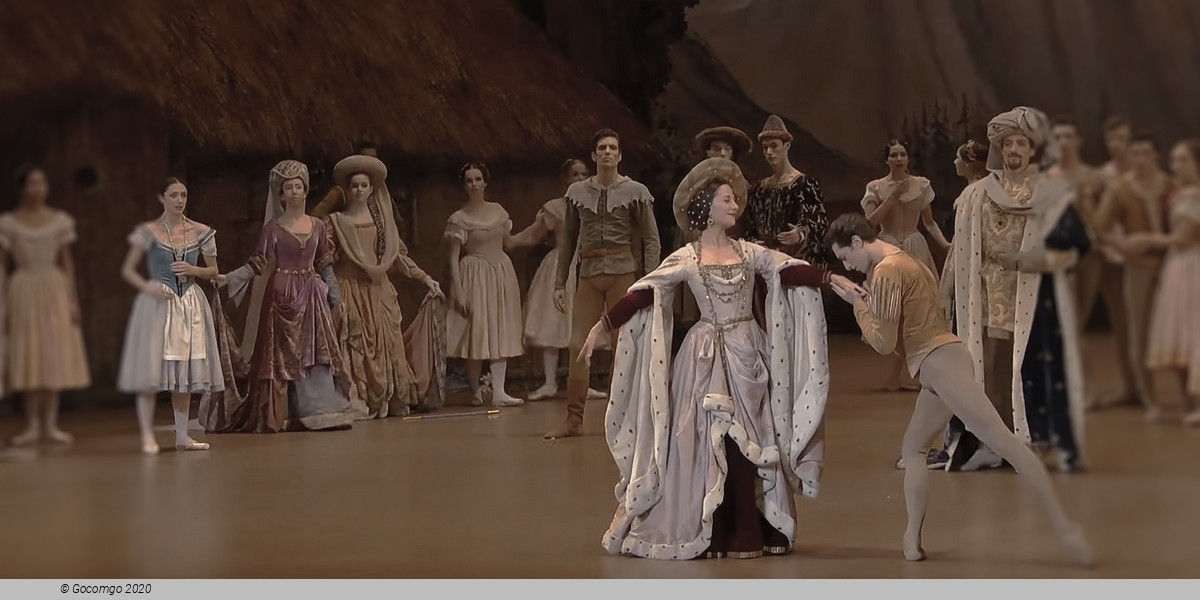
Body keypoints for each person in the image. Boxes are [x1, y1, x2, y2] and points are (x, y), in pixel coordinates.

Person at [578, 157, 858, 560]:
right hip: (704, 356)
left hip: (748, 350)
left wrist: (832, 279)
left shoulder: (749, 252)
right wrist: (603, 325)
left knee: (751, 441)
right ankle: (713, 529)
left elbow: (789, 269)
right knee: (707, 439)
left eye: (733, 200)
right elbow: (644, 292)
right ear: (706, 208)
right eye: (726, 199)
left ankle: (750, 527)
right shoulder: (687, 257)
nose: (734, 206)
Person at [826, 211, 1094, 566]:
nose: (847, 266)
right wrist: (868, 298)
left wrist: (857, 306)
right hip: (938, 364)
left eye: (846, 257)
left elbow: (883, 342)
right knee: (913, 449)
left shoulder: (887, 270)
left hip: (940, 363)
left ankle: (1065, 527)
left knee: (1006, 442)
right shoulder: (899, 261)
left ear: (857, 242)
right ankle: (912, 540)